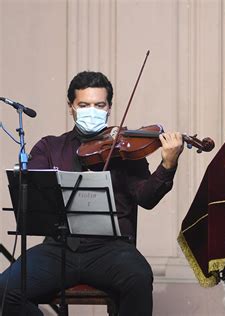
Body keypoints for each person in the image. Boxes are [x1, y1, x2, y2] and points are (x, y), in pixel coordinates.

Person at [0, 71, 184, 315]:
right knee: (6, 289)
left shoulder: (123, 147)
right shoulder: (49, 146)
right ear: (71, 107)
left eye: (99, 105)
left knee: (139, 278)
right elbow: (34, 189)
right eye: (84, 105)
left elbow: (146, 198)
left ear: (109, 107)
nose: (92, 111)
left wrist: (168, 165)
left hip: (111, 249)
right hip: (59, 247)